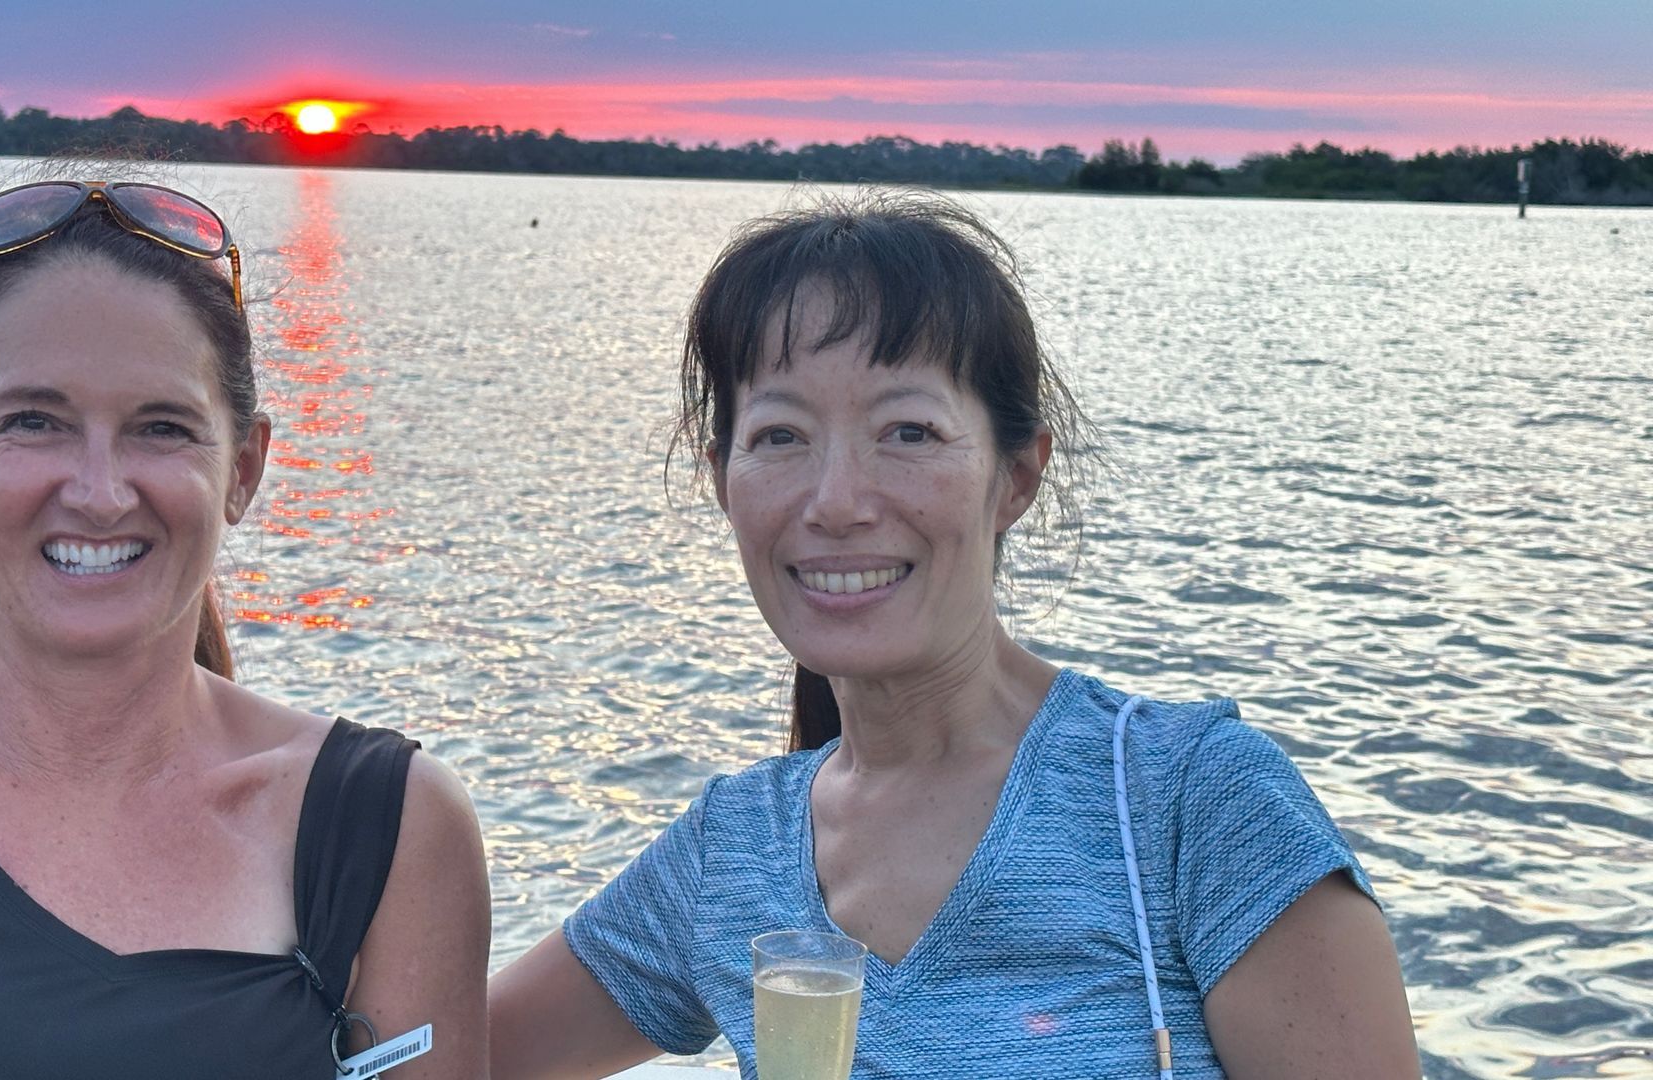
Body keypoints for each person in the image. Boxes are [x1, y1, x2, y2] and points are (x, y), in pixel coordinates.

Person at [489, 191, 1420, 1078]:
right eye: (779, 437)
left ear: (1015, 476)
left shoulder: (1192, 804)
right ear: (721, 476)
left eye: (908, 431)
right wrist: (383, 811)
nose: (838, 502)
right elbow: (438, 1057)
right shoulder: (733, 852)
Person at [0, 177, 489, 1077]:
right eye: (33, 421)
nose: (98, 492)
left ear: (244, 468)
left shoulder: (387, 828)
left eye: (161, 428)